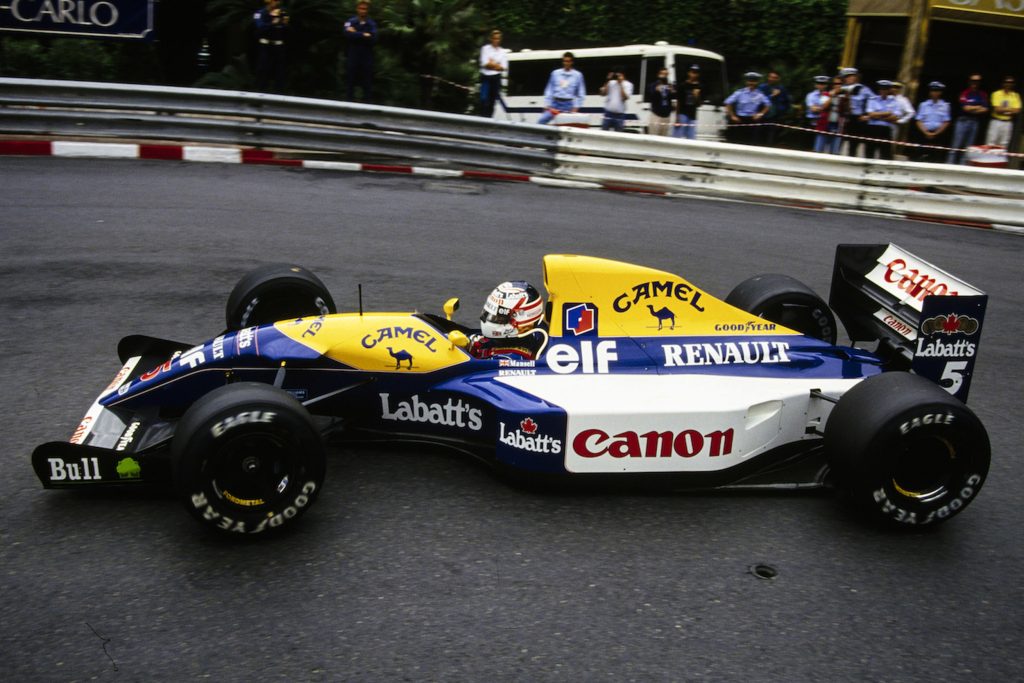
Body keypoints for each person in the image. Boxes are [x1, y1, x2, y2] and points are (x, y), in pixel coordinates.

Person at [468, 282, 548, 360]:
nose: (490, 320)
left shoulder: (514, 358)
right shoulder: (501, 340)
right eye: (489, 314)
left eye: (498, 318)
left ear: (521, 319)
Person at [947, 74, 988, 164]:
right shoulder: (964, 93)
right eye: (973, 81)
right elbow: (965, 108)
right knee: (956, 145)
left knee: (968, 147)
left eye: (977, 81)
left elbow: (985, 109)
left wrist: (972, 108)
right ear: (969, 82)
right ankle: (949, 165)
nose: (975, 83)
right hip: (962, 121)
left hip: (974, 122)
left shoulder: (982, 94)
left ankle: (962, 167)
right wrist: (978, 107)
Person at [538, 52, 586, 125]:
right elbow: (549, 90)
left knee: (565, 127)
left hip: (568, 105)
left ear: (572, 62)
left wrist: (576, 107)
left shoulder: (578, 75)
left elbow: (581, 93)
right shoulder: (555, 73)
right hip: (555, 104)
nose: (566, 63)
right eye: (564, 61)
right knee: (541, 121)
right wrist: (547, 104)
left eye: (568, 61)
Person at [343, 1, 377, 102]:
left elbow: (373, 39)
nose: (363, 11)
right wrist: (364, 35)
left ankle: (367, 107)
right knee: (350, 82)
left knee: (366, 84)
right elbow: (347, 34)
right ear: (357, 9)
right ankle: (348, 105)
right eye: (361, 8)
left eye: (365, 9)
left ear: (368, 10)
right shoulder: (351, 21)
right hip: (353, 56)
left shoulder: (372, 24)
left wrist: (356, 33)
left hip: (366, 58)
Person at [724, 72, 770, 145]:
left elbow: (768, 105)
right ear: (746, 82)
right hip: (739, 120)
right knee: (737, 141)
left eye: (754, 81)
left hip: (752, 120)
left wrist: (760, 114)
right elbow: (728, 102)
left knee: (750, 142)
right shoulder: (739, 92)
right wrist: (732, 116)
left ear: (757, 82)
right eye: (750, 81)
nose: (751, 83)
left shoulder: (760, 94)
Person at [253, 0, 289, 93]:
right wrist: (272, 23)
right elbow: (260, 27)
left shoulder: (282, 12)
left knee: (280, 70)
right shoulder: (260, 13)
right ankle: (260, 91)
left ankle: (279, 92)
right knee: (263, 68)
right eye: (275, 1)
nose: (278, 3)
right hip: (265, 46)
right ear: (269, 2)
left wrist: (283, 23)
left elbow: (285, 28)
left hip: (278, 46)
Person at [840, 67, 875, 157]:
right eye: (847, 77)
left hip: (858, 117)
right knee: (843, 140)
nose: (849, 78)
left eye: (852, 76)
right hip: (844, 117)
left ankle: (857, 159)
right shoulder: (841, 88)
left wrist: (867, 115)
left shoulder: (864, 89)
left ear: (856, 77)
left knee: (858, 140)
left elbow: (874, 100)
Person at [914, 81, 951, 162]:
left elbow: (946, 122)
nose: (934, 93)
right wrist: (926, 132)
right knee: (921, 155)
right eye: (932, 90)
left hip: (938, 135)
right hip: (924, 133)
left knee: (936, 157)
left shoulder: (945, 105)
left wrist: (936, 133)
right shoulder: (923, 105)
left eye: (936, 91)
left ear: (940, 92)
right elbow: (919, 120)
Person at [865, 80, 901, 160]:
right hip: (873, 128)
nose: (883, 91)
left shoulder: (894, 101)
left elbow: (895, 117)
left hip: (885, 130)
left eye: (885, 89)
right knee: (869, 153)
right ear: (879, 90)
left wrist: (878, 115)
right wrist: (886, 113)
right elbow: (871, 114)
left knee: (886, 155)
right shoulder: (872, 100)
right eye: (882, 89)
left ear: (889, 90)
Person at [757, 69, 791, 146]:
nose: (772, 79)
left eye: (775, 77)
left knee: (773, 136)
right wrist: (772, 95)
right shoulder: (762, 87)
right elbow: (759, 100)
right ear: (768, 77)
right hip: (763, 115)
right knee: (761, 136)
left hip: (776, 116)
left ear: (778, 79)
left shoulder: (782, 89)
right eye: (771, 77)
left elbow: (787, 102)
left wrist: (784, 112)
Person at [478, 30, 508, 119]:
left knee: (492, 101)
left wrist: (492, 64)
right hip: (486, 77)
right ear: (491, 39)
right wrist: (496, 65)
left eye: (498, 39)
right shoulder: (485, 49)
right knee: (483, 99)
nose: (496, 40)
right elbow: (485, 63)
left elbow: (503, 67)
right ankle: (482, 118)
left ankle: (489, 119)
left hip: (496, 78)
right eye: (495, 38)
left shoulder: (502, 51)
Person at [986, 75, 1021, 148]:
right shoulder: (996, 94)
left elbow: (1017, 110)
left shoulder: (1016, 95)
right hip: (996, 122)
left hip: (1008, 123)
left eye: (1011, 82)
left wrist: (1004, 109)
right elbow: (997, 110)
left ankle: (999, 160)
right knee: (991, 142)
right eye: (1007, 82)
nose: (1009, 84)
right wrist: (1010, 109)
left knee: (1004, 144)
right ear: (1003, 83)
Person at [813, 76, 846, 154]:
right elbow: (823, 107)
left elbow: (848, 110)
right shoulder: (826, 94)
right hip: (825, 124)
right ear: (832, 85)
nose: (837, 85)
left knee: (834, 152)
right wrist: (831, 96)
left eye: (839, 83)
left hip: (838, 125)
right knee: (818, 150)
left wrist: (846, 98)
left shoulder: (845, 96)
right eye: (835, 83)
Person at [600, 68, 633, 132]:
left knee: (618, 135)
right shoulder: (611, 83)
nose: (617, 77)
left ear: (623, 75)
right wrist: (608, 80)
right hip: (608, 113)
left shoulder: (628, 84)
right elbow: (603, 93)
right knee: (603, 133)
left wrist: (620, 84)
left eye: (619, 75)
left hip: (619, 115)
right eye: (617, 75)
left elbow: (625, 98)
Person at [674, 64, 702, 140]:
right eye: (693, 72)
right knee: (677, 137)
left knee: (691, 138)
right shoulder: (682, 85)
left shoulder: (699, 86)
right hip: (682, 114)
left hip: (692, 115)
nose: (694, 75)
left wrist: (697, 96)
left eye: (696, 73)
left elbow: (699, 104)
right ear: (689, 73)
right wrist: (677, 118)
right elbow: (678, 102)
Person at [645, 67, 675, 136]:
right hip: (656, 115)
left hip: (666, 116)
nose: (664, 75)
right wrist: (656, 90)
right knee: (653, 137)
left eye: (666, 74)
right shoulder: (653, 85)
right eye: (662, 74)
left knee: (664, 139)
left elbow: (673, 98)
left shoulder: (670, 86)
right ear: (658, 75)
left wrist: (672, 92)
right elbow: (649, 96)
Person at [805, 75, 830, 150]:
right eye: (819, 83)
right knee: (809, 146)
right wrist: (823, 108)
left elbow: (826, 108)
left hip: (823, 123)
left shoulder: (829, 96)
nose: (821, 85)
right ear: (815, 84)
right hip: (812, 122)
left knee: (820, 147)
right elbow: (812, 109)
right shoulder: (810, 95)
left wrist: (818, 108)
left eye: (823, 84)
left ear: (826, 85)